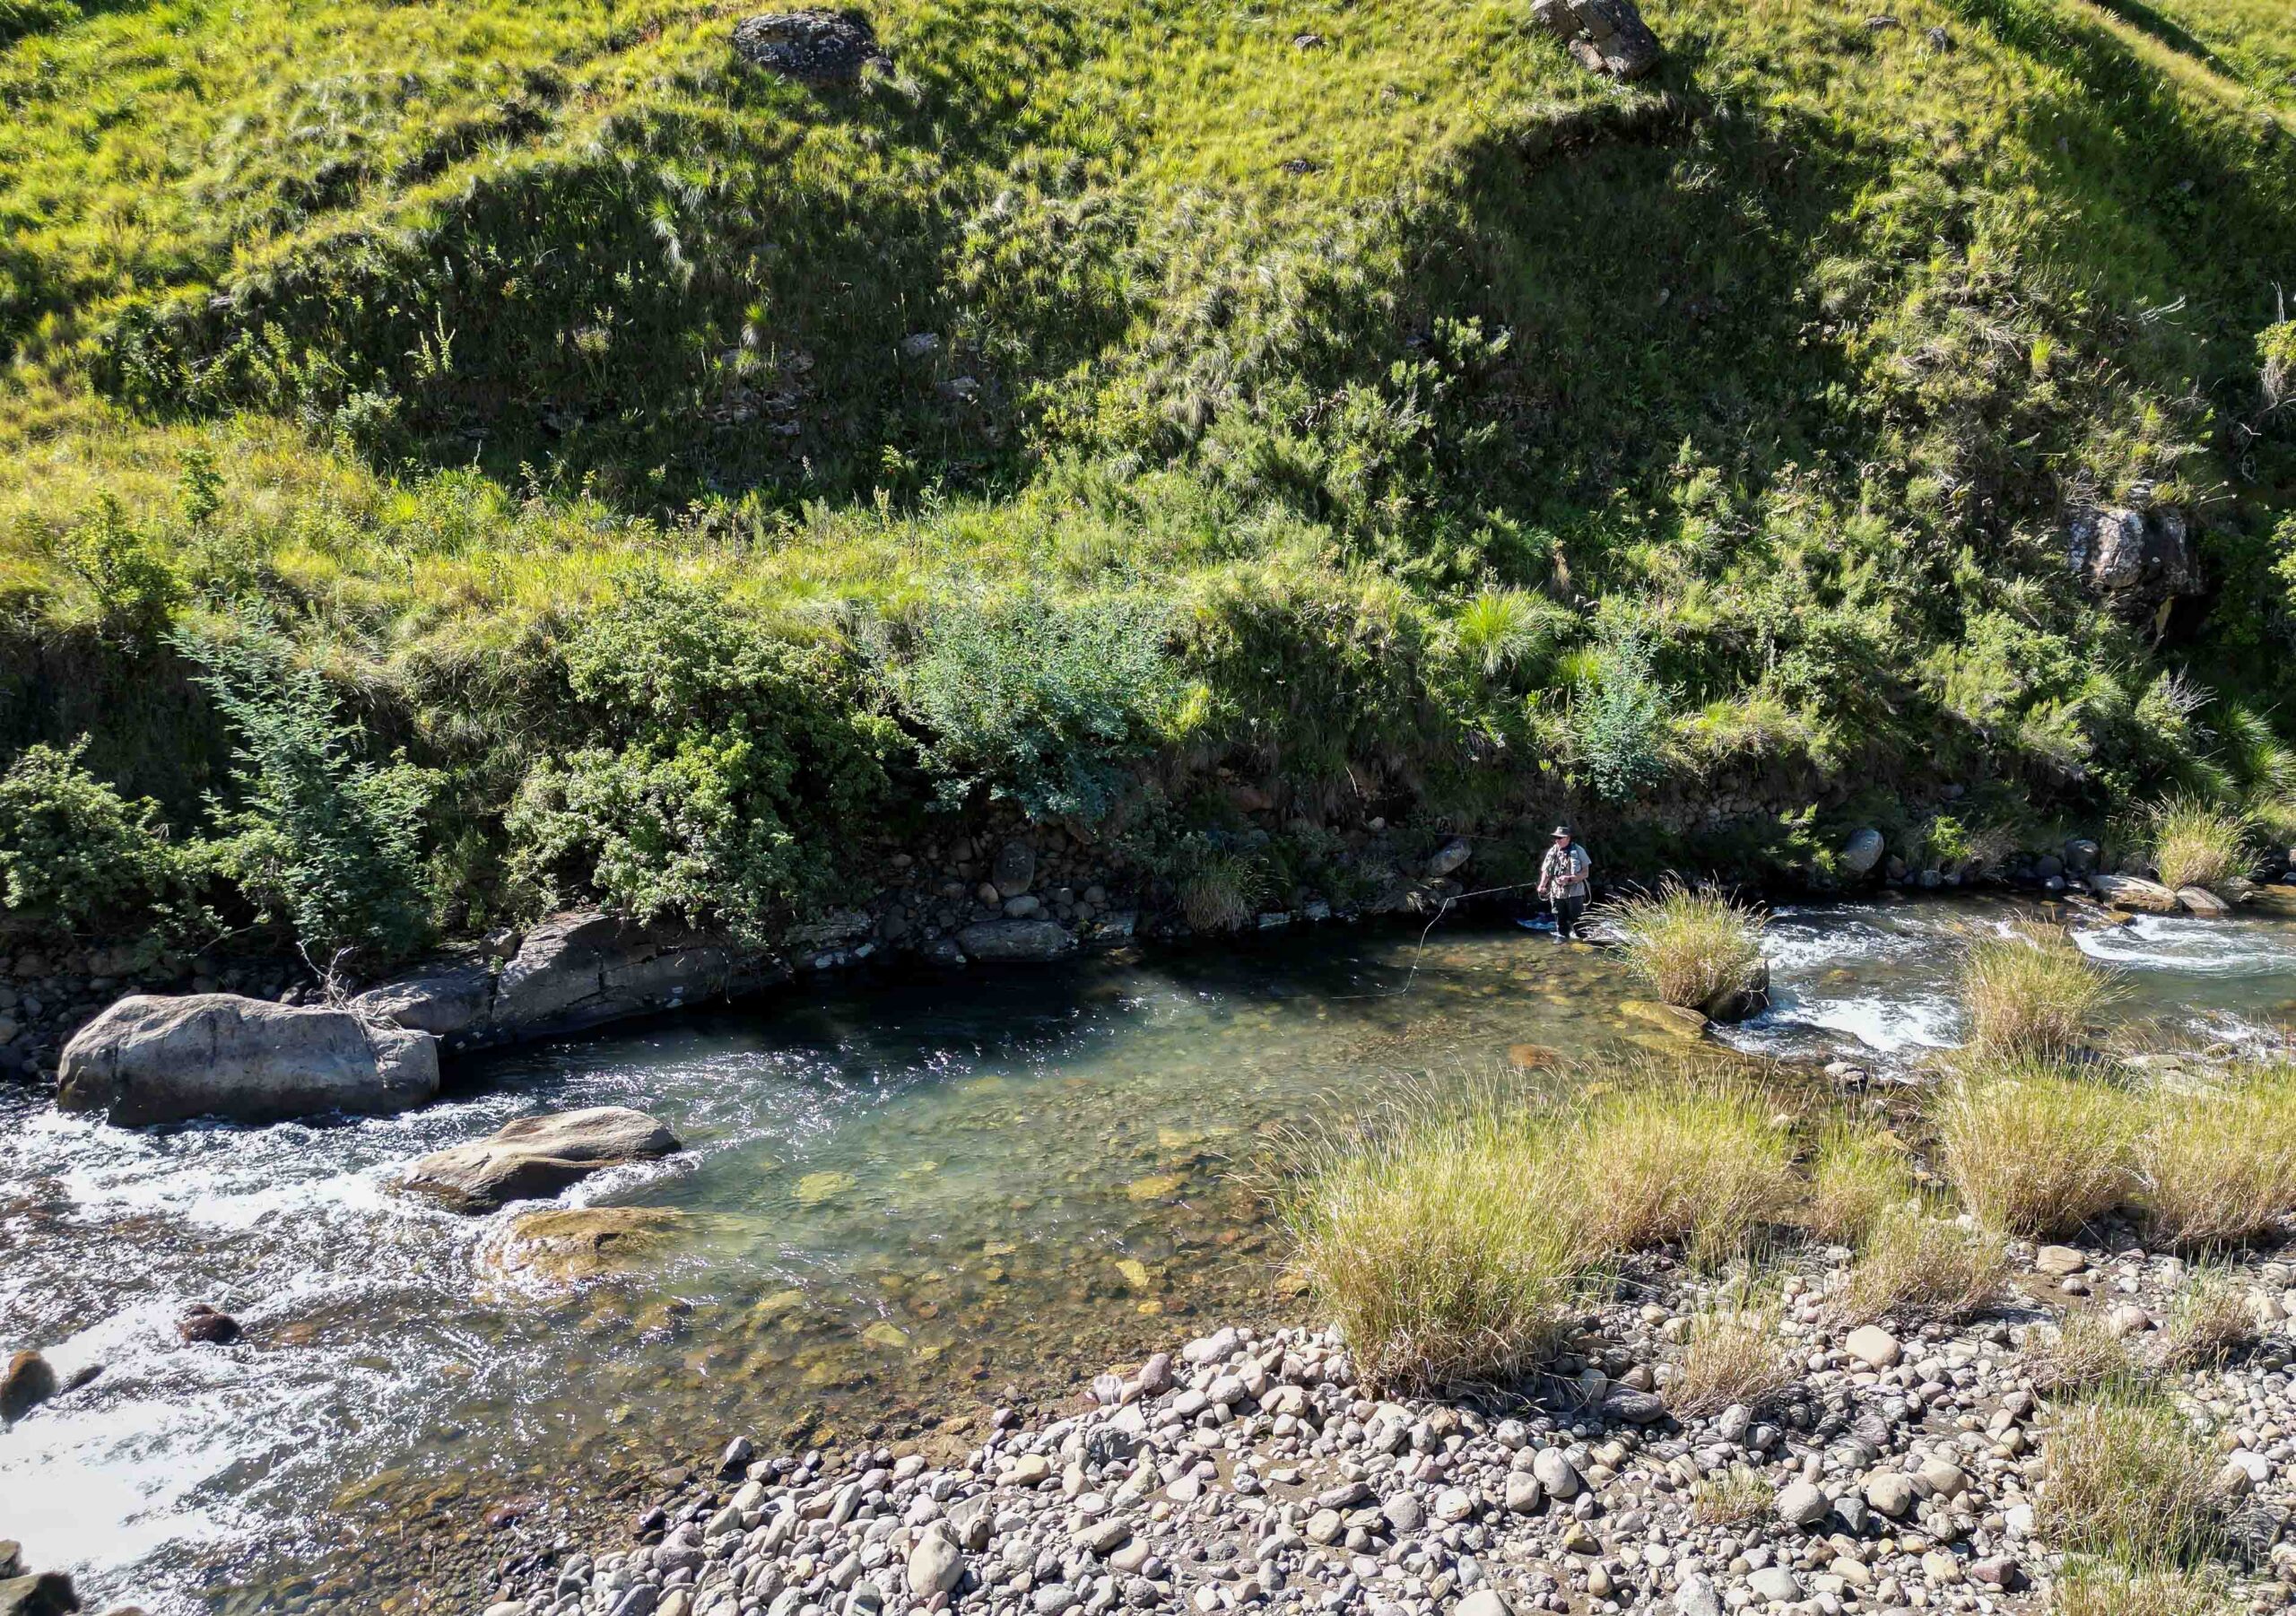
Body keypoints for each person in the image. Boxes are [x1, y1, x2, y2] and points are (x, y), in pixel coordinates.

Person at [1537, 824, 1592, 941]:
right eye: (1556, 838)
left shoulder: (1578, 850)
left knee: (1578, 923)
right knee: (1560, 922)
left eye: (1560, 838)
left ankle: (1584, 943)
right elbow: (1546, 871)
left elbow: (1585, 873)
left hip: (1575, 893)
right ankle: (1563, 945)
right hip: (1556, 893)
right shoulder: (1552, 851)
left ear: (1568, 838)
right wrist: (1542, 885)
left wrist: (1569, 878)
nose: (1557, 840)